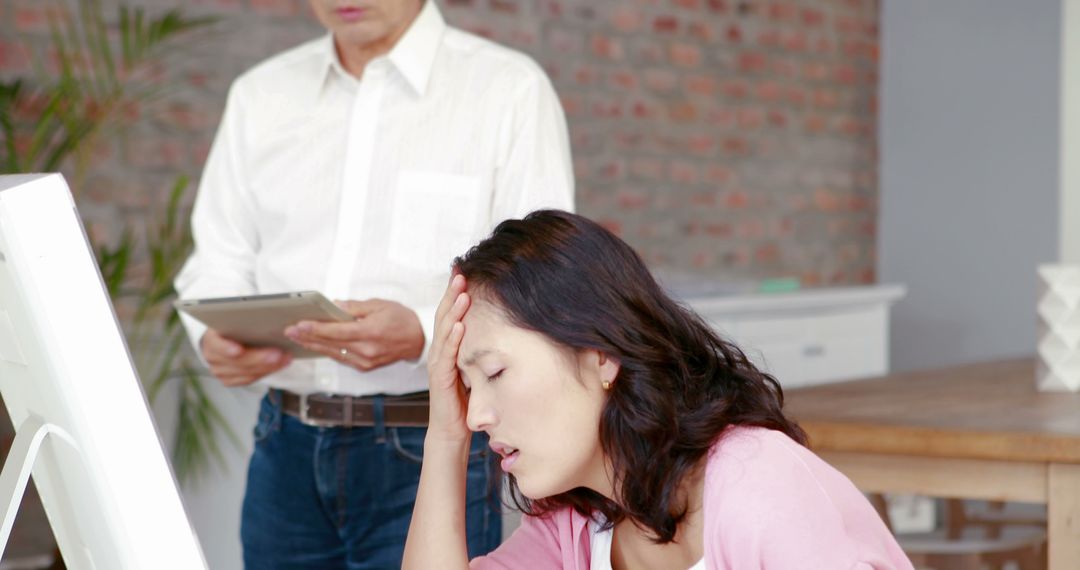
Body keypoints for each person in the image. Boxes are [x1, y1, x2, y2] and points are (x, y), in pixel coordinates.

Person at [174, 0, 574, 567]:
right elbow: (217, 255)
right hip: (282, 442)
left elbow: (543, 280)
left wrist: (421, 333)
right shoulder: (259, 95)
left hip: (425, 447)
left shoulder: (507, 91)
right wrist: (212, 338)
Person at [402, 210, 914, 569]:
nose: (476, 416)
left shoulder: (760, 488)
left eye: (493, 373)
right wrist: (444, 438)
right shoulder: (573, 528)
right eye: (467, 388)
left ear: (601, 354)